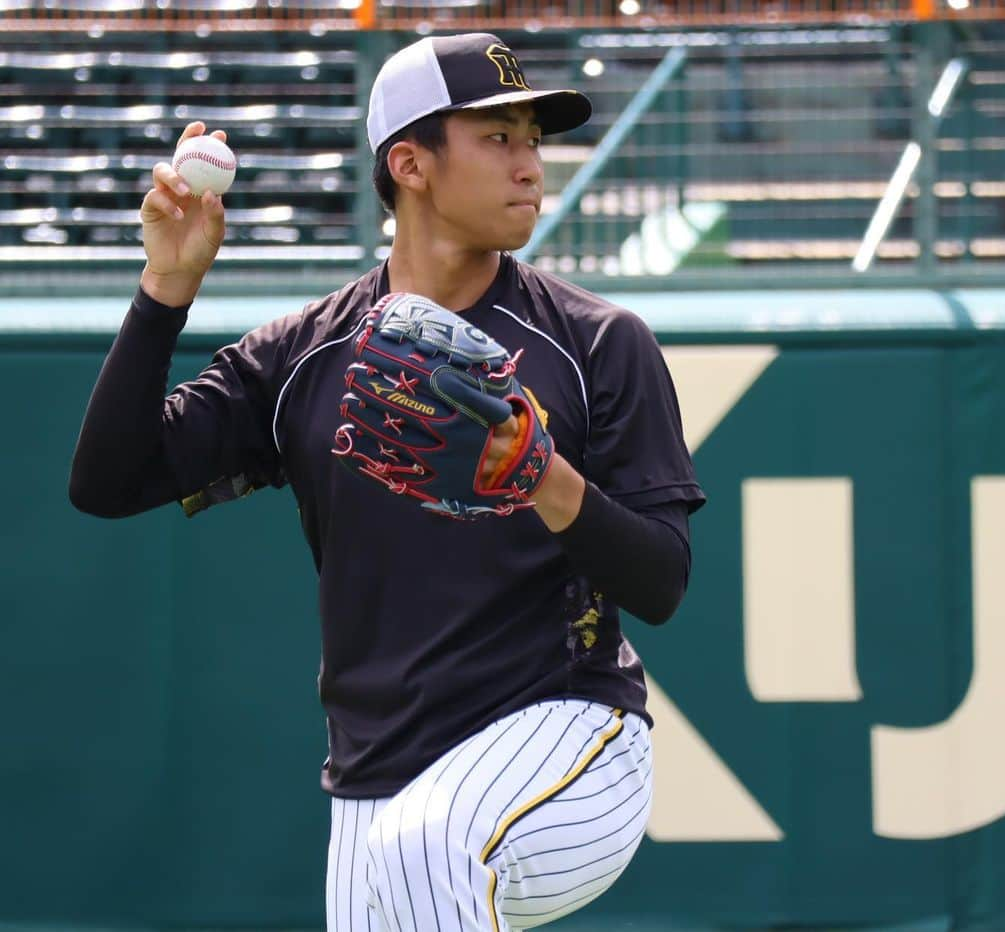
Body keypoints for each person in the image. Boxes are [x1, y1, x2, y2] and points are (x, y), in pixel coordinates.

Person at [70, 32, 705, 932]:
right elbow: (108, 480)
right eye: (498, 138)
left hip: (568, 737)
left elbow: (664, 581)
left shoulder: (598, 340)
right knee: (412, 858)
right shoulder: (305, 356)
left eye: (533, 139)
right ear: (410, 162)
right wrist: (166, 290)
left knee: (428, 850)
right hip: (376, 775)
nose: (531, 165)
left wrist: (545, 477)